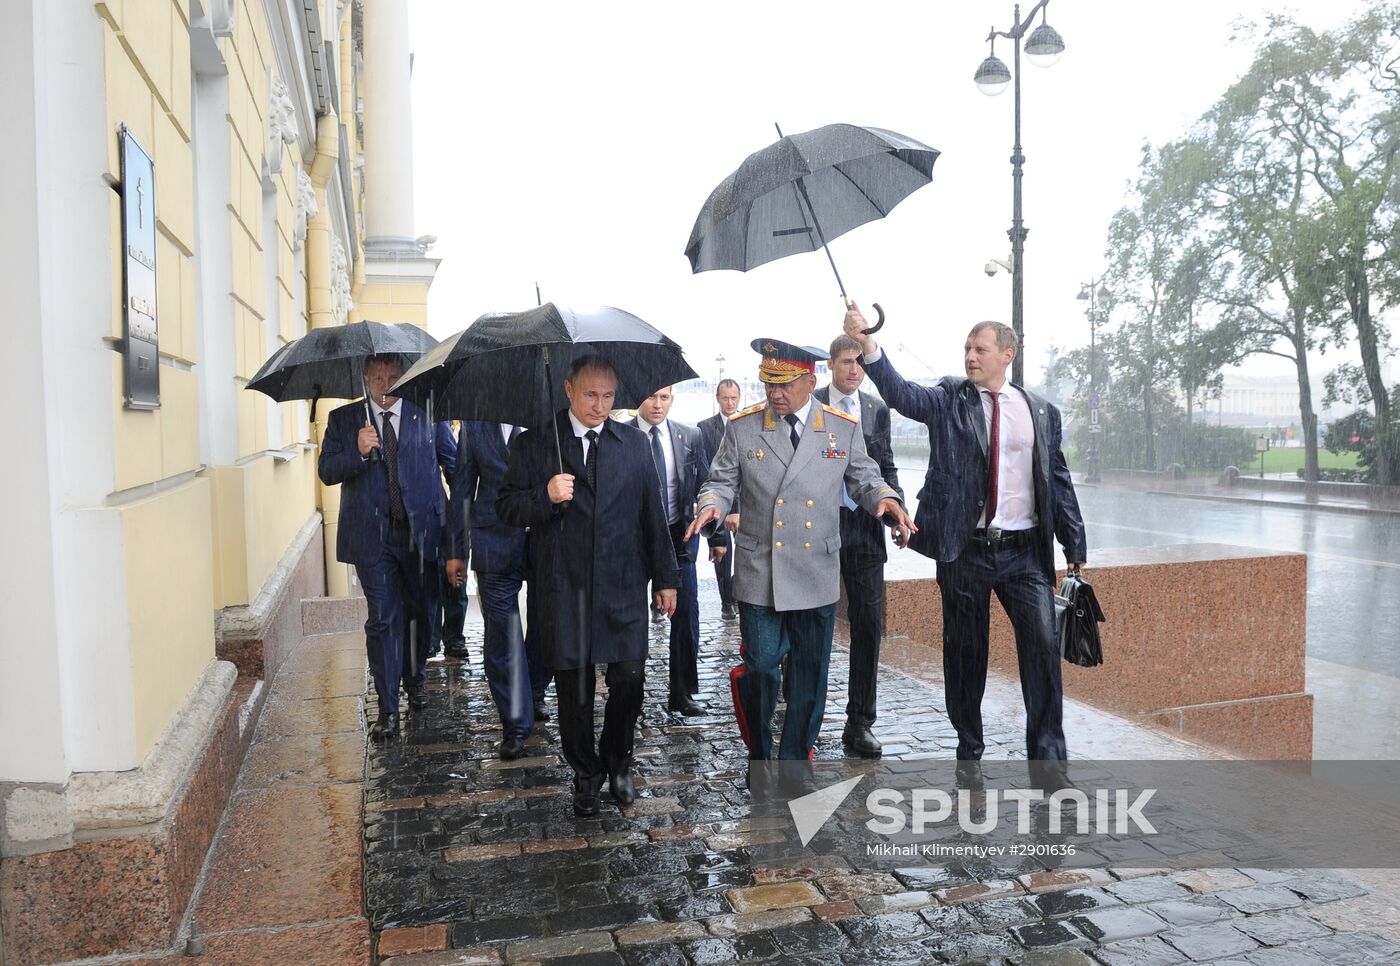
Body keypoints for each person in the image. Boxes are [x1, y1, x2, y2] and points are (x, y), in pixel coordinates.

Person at [843, 305, 1087, 778]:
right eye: (967, 349)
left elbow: (1057, 479)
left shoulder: (1040, 411)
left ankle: (1049, 760)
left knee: (1041, 651)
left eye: (981, 349)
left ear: (1007, 355)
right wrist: (869, 345)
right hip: (965, 550)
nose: (971, 357)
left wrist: (1074, 545)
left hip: (1024, 554)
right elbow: (901, 394)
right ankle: (969, 746)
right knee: (964, 655)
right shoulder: (950, 398)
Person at [686, 339, 914, 763]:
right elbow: (719, 481)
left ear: (811, 381)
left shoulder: (841, 428)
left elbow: (865, 477)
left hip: (815, 569)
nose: (774, 394)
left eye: (785, 385)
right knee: (761, 668)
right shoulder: (743, 427)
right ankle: (759, 751)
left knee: (810, 676)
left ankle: (794, 759)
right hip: (761, 570)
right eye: (768, 383)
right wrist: (712, 506)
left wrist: (885, 500)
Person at [497, 355, 678, 816]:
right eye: (590, 395)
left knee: (630, 681)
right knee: (574, 692)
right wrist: (545, 496)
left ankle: (619, 760)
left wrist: (666, 577)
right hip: (565, 586)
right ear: (568, 389)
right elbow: (506, 508)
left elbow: (651, 515)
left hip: (623, 585)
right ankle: (585, 772)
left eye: (609, 396)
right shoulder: (538, 443)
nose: (600, 406)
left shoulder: (633, 443)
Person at [318, 354, 457, 739]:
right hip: (371, 537)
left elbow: (454, 466)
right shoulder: (344, 421)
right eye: (376, 377)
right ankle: (388, 708)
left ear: (404, 379)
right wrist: (357, 452)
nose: (384, 386)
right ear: (364, 379)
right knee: (383, 619)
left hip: (422, 533)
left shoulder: (428, 413)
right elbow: (327, 471)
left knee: (421, 613)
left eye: (392, 378)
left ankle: (415, 677)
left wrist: (458, 532)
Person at [814, 334, 904, 758]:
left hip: (866, 528)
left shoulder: (876, 410)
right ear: (831, 364)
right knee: (811, 625)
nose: (854, 369)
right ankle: (806, 716)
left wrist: (897, 510)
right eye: (847, 361)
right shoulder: (809, 403)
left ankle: (860, 722)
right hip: (818, 527)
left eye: (860, 363)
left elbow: (885, 464)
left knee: (868, 626)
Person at [444, 421, 552, 759]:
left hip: (545, 538)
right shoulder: (475, 428)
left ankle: (533, 691)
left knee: (547, 626)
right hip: (494, 541)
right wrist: (456, 551)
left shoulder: (548, 420)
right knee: (502, 635)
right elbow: (462, 491)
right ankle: (515, 722)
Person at [633, 387, 722, 716]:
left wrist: (716, 536)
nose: (657, 404)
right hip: (634, 539)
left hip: (679, 536)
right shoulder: (621, 435)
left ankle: (682, 691)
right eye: (651, 396)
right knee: (632, 617)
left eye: (665, 397)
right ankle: (630, 688)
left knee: (686, 614)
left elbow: (706, 484)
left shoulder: (690, 435)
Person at [698, 379, 743, 621]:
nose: (730, 402)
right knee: (722, 554)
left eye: (734, 398)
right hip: (719, 502)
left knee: (746, 553)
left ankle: (740, 596)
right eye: (726, 398)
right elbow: (705, 468)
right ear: (718, 398)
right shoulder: (704, 428)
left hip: (744, 504)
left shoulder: (747, 425)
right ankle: (727, 602)